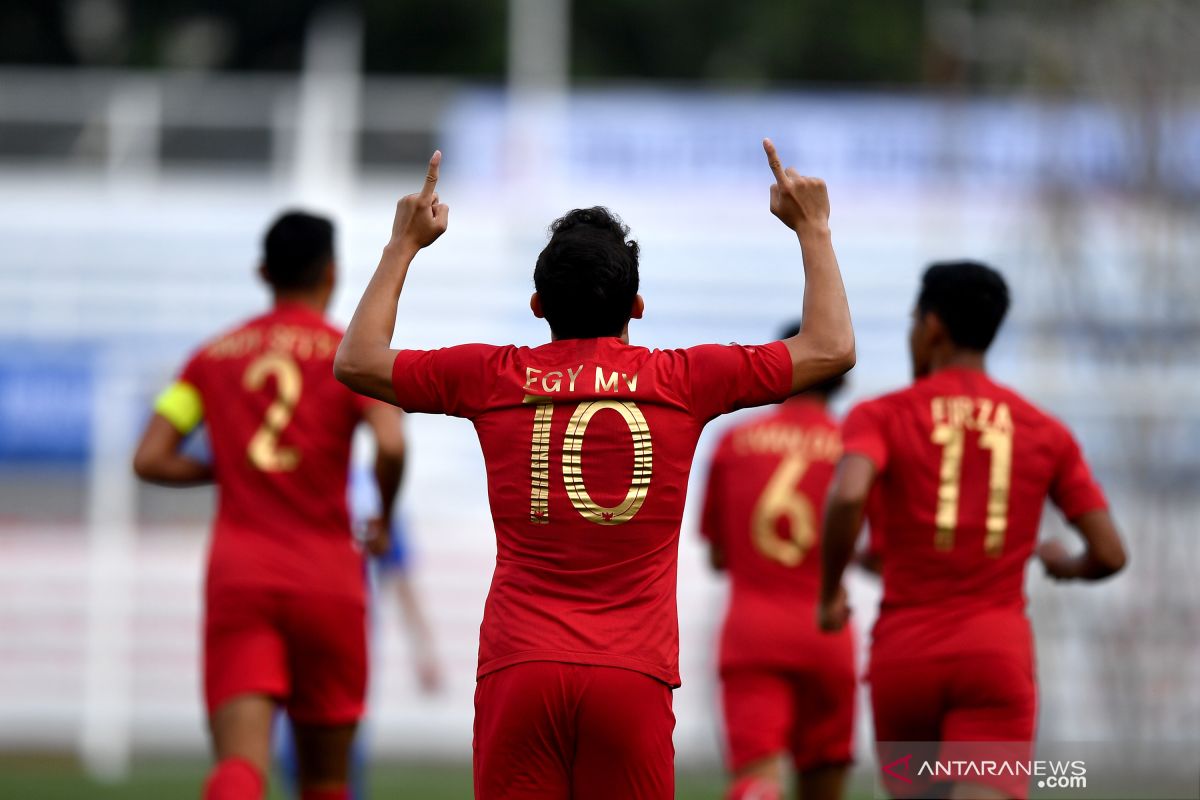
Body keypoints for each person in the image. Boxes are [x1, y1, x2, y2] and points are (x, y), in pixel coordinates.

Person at [333, 140, 855, 799]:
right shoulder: (684, 380)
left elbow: (356, 360)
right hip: (631, 675)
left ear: (537, 307)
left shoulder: (492, 376)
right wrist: (813, 228)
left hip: (518, 667)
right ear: (637, 308)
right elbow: (832, 348)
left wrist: (401, 245)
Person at [818, 261, 1127, 800]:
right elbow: (1109, 553)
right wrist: (1065, 565)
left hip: (905, 657)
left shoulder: (881, 415)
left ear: (933, 327)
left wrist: (829, 592)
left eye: (914, 321)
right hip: (994, 656)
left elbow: (847, 494)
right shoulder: (1045, 430)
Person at [132, 211, 406, 800]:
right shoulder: (348, 356)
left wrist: (227, 468)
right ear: (332, 274)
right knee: (327, 781)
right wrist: (383, 512)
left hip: (241, 574)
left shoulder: (211, 358)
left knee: (239, 768)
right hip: (329, 577)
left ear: (263, 272)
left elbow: (150, 458)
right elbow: (390, 442)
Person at [699, 320, 856, 800]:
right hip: (828, 631)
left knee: (757, 780)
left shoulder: (734, 441)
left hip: (753, 633)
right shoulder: (855, 446)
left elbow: (720, 554)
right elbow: (874, 546)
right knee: (824, 784)